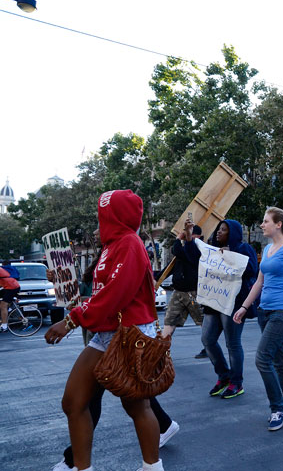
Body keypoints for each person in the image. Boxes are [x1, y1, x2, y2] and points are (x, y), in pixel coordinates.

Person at [43, 190, 165, 471]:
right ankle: (81, 468)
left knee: (136, 407)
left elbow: (114, 294)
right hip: (106, 334)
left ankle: (152, 467)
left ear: (115, 217)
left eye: (102, 217)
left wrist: (71, 321)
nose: (98, 226)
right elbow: (98, 291)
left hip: (130, 336)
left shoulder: (130, 244)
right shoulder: (113, 245)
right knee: (74, 402)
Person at [235, 207, 283, 432]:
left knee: (262, 359)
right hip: (264, 311)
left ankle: (278, 408)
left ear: (278, 224)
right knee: (280, 360)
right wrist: (244, 306)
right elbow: (259, 282)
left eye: (266, 221)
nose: (262, 224)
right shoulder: (267, 249)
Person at [186, 218, 258, 399]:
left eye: (223, 230)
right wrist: (188, 236)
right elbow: (192, 256)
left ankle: (236, 382)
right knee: (207, 339)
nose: (218, 232)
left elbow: (252, 270)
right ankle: (224, 375)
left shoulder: (243, 248)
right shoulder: (212, 250)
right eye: (218, 229)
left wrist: (229, 256)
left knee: (232, 343)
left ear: (232, 233)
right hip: (213, 302)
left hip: (233, 304)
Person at [162, 223, 206, 359]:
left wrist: (178, 239)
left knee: (202, 321)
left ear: (197, 237)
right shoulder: (185, 248)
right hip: (179, 292)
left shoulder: (197, 249)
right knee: (169, 321)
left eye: (191, 234)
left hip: (193, 292)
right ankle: (161, 350)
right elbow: (173, 266)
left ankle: (209, 346)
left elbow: (178, 251)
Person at [0, 261, 20, 333]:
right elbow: (3, 283)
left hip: (13, 288)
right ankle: (7, 308)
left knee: (2, 306)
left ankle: (4, 326)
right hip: (7, 288)